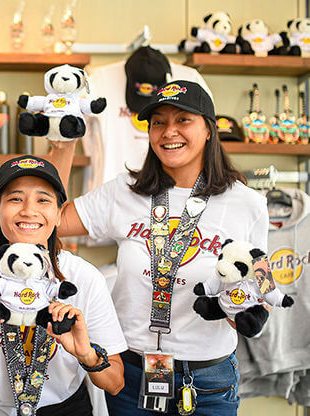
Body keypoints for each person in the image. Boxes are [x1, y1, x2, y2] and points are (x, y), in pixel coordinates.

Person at [56, 80, 269, 415]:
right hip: (132, 376)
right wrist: (63, 142)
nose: (169, 131)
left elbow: (263, 291)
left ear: (209, 129)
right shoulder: (125, 191)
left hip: (208, 382)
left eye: (183, 119)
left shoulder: (248, 204)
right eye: (158, 122)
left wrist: (239, 307)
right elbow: (48, 219)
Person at [0, 155, 127, 415]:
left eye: (43, 200)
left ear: (59, 215)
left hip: (65, 410)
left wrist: (86, 354)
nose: (29, 210)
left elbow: (115, 383)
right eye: (15, 199)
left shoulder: (84, 278)